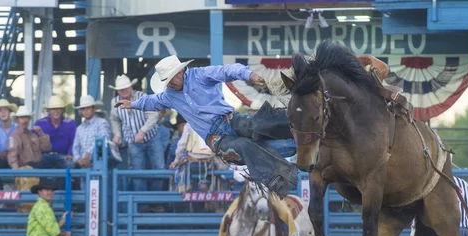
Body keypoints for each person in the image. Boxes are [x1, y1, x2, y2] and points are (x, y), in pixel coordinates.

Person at [114, 55, 298, 198]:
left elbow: (226, 70)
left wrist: (250, 75)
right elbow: (151, 101)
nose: (169, 83)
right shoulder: (169, 95)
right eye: (166, 80)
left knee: (256, 123)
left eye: (171, 78)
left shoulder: (199, 75)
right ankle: (285, 169)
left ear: (181, 71)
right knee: (246, 146)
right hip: (217, 139)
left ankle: (299, 127)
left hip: (230, 119)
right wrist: (132, 104)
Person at [34, 95, 76, 169]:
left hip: (63, 156)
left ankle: (62, 181)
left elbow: (74, 141)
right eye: (53, 109)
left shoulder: (70, 123)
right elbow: (33, 141)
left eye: (59, 108)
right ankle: (45, 181)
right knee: (35, 163)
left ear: (63, 110)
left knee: (70, 165)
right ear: (48, 111)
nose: (56, 111)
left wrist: (70, 153)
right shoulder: (40, 123)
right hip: (44, 156)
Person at [72, 95, 111, 168]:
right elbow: (75, 147)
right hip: (82, 165)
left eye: (88, 108)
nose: (86, 111)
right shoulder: (79, 128)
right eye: (83, 109)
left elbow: (104, 139)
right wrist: (78, 159)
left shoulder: (102, 123)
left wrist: (89, 154)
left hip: (98, 163)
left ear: (94, 109)